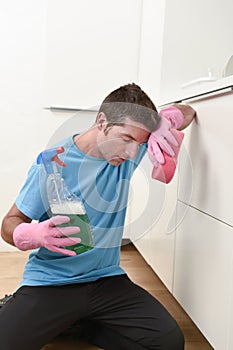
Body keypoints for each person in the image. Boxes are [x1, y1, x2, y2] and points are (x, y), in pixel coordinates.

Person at [0, 83, 195, 350]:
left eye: (139, 144)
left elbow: (189, 111)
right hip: (53, 282)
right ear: (101, 122)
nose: (132, 153)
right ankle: (56, 315)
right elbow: (10, 223)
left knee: (169, 342)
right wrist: (31, 234)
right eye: (126, 139)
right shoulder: (51, 163)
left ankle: (78, 324)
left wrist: (166, 121)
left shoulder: (126, 154)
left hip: (107, 280)